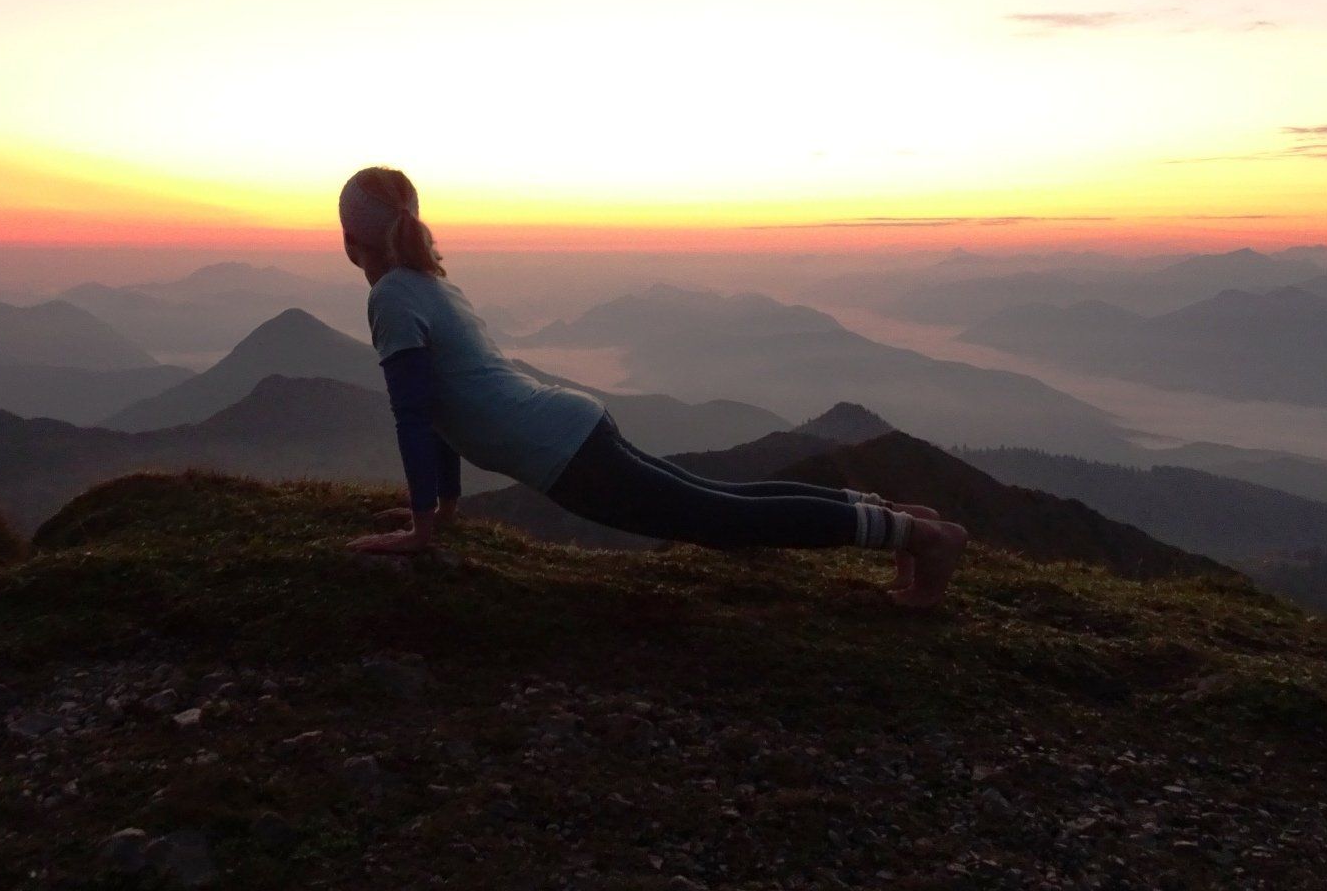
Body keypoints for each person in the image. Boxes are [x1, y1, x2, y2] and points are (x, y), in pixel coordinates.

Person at [337, 166, 969, 608]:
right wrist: (440, 513)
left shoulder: (393, 297)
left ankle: (921, 538)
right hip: (569, 424)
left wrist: (421, 529)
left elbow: (416, 416)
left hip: (561, 452)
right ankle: (895, 517)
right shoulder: (433, 284)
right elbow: (445, 409)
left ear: (350, 241)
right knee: (721, 498)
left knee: (718, 518)